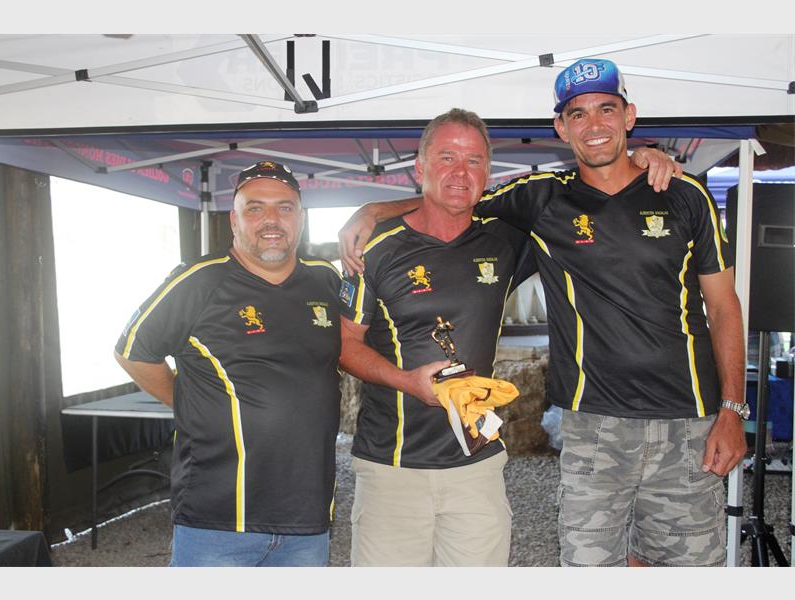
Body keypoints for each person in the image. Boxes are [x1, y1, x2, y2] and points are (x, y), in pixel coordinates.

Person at [339, 59, 746, 567]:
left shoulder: (685, 195)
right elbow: (454, 198)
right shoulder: (540, 199)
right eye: (577, 114)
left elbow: (724, 306)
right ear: (560, 127)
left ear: (629, 116)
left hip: (687, 419)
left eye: (606, 109)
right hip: (593, 424)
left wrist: (733, 411)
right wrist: (373, 210)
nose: (593, 124)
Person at [115, 160, 342, 567]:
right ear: (234, 220)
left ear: (301, 218)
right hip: (217, 521)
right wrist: (188, 402)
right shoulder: (199, 280)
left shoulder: (325, 279)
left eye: (285, 207)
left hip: (308, 518)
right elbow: (133, 351)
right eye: (255, 208)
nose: (271, 220)